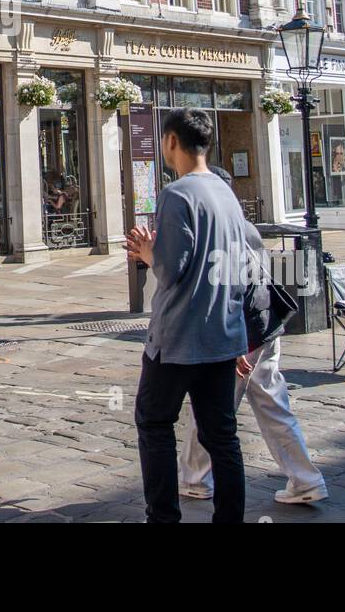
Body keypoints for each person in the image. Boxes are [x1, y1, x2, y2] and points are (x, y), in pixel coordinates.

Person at [125, 108, 247, 524]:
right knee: (223, 437)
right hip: (222, 333)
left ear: (171, 141)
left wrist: (146, 252)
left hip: (178, 338)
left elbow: (170, 268)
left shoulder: (177, 194)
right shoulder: (225, 192)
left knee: (154, 423)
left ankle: (163, 516)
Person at [178, 167, 326, 506]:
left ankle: (195, 479)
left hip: (241, 335)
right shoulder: (245, 228)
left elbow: (231, 291)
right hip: (264, 329)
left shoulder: (219, 231)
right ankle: (305, 479)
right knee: (272, 405)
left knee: (211, 407)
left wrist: (237, 344)